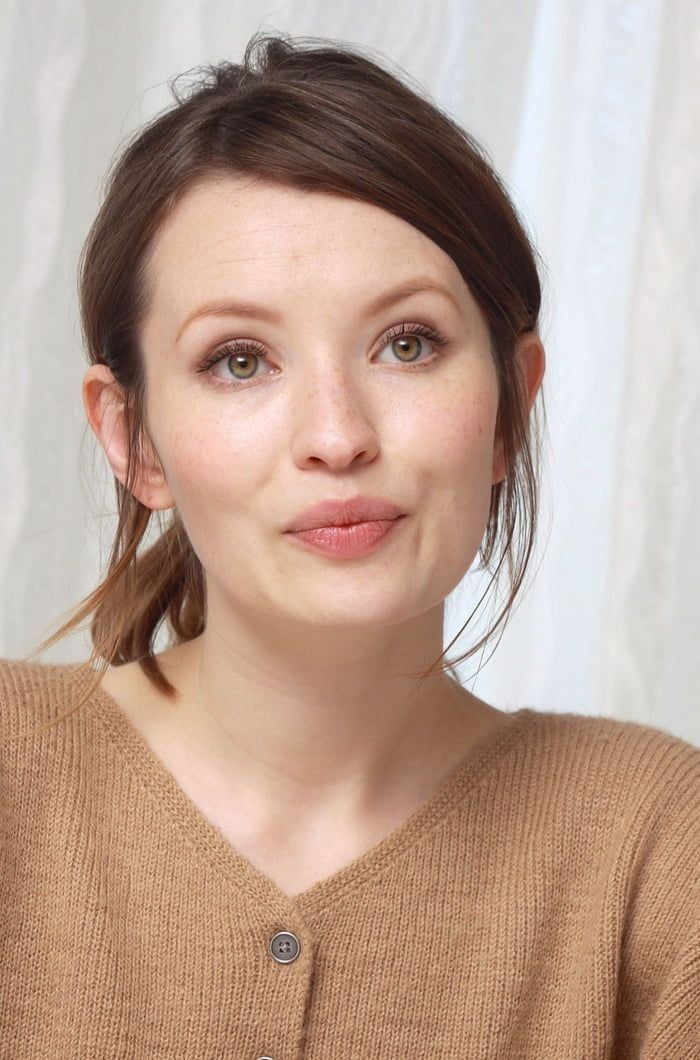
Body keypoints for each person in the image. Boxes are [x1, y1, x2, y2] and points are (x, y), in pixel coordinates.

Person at [1, 30, 697, 1060]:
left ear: (511, 406)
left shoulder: (657, 844)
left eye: (406, 344)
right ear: (132, 438)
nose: (337, 435)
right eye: (239, 360)